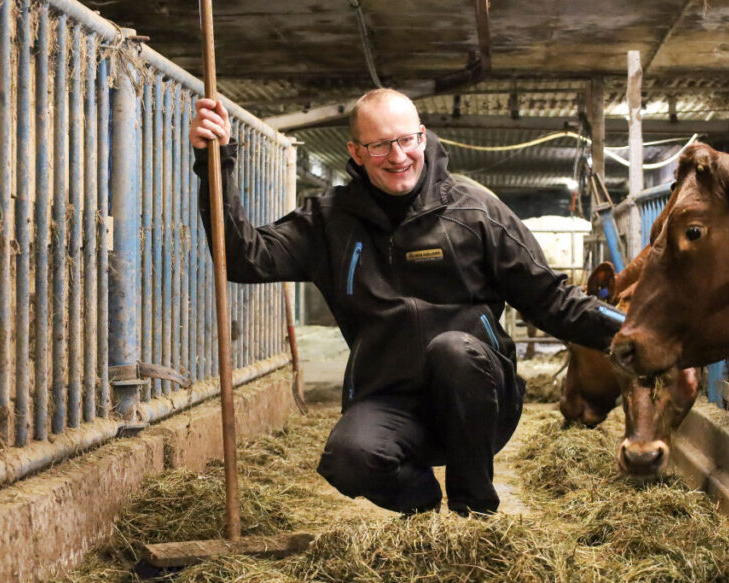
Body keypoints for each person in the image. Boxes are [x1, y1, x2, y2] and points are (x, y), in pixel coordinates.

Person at [189, 88, 625, 516]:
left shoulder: (475, 212)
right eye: (379, 145)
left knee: (452, 350)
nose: (398, 157)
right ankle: (423, 512)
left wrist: (632, 327)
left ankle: (474, 513)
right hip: (389, 402)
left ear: (422, 135)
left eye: (405, 140)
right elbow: (244, 258)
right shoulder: (330, 221)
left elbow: (551, 298)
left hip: (481, 399)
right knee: (348, 459)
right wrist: (215, 162)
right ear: (356, 152)